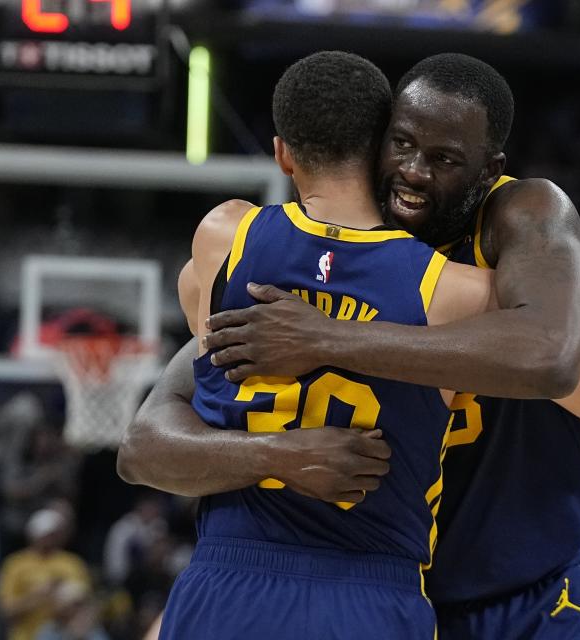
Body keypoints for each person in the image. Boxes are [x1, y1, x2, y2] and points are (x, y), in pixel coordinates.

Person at [120, 54, 580, 638]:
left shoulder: (509, 240)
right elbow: (151, 435)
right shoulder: (289, 272)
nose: (416, 171)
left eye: (445, 159)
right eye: (401, 145)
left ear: (488, 168)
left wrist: (329, 338)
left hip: (521, 587)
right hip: (395, 587)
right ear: (374, 141)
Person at [151, 51, 497, 639]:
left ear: (283, 153)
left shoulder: (224, 235)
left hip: (225, 581)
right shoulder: (454, 289)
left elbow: (199, 334)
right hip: (369, 591)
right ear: (383, 147)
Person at [0, 507, 91, 640]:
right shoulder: (15, 565)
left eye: (54, 534)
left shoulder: (72, 563)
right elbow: (6, 612)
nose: (49, 539)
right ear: (32, 534)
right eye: (45, 534)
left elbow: (86, 605)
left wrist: (63, 599)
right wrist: (37, 596)